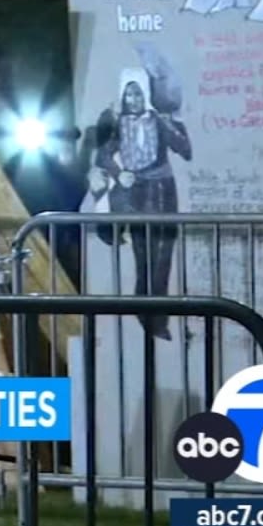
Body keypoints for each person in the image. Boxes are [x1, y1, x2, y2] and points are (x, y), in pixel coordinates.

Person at [86, 67, 192, 341]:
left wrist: (176, 121)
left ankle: (159, 317)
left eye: (137, 93)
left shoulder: (158, 121)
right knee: (143, 256)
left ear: (145, 94)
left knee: (164, 254)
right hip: (136, 195)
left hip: (163, 192)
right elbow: (103, 156)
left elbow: (185, 150)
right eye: (128, 94)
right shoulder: (118, 125)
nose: (133, 99)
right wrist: (118, 172)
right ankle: (143, 310)